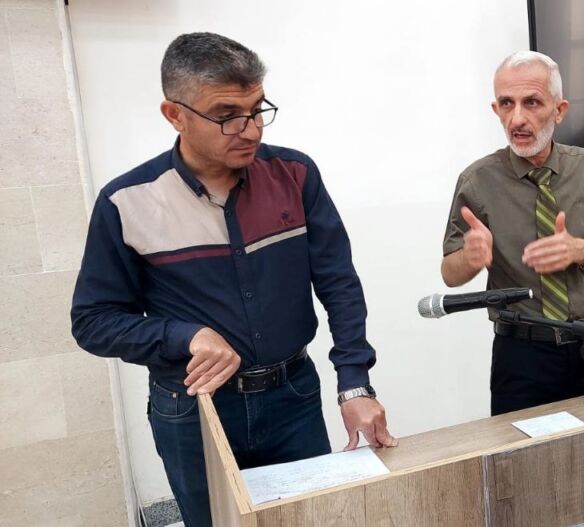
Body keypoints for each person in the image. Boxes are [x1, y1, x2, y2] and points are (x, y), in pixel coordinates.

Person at [70, 33, 396, 527]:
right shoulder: (126, 202)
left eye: (257, 109)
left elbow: (339, 284)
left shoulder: (295, 174)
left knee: (307, 520)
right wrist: (185, 335)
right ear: (174, 115)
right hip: (194, 410)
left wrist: (355, 385)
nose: (250, 129)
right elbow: (93, 321)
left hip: (293, 397)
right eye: (227, 115)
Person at [440, 51, 584, 416]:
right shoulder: (477, 180)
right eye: (506, 103)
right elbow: (450, 275)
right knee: (523, 451)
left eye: (531, 102)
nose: (517, 118)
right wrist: (470, 258)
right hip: (522, 356)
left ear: (559, 110)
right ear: (496, 109)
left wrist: (582, 250)